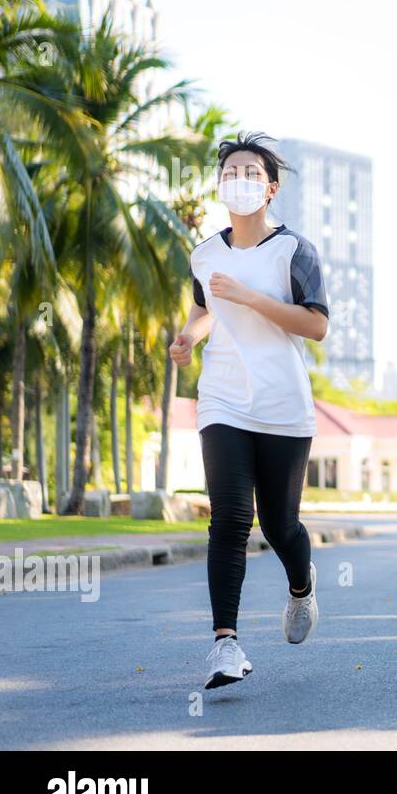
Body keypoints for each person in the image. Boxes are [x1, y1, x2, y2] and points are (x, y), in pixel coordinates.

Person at [168, 132, 330, 690]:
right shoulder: (205, 252)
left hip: (284, 403)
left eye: (250, 172)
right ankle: (225, 645)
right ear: (221, 185)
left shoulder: (294, 251)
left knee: (281, 525)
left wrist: (251, 297)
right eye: (230, 171)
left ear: (270, 187)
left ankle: (301, 588)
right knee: (231, 518)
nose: (238, 179)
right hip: (223, 399)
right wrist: (189, 337)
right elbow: (202, 307)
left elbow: (316, 326)